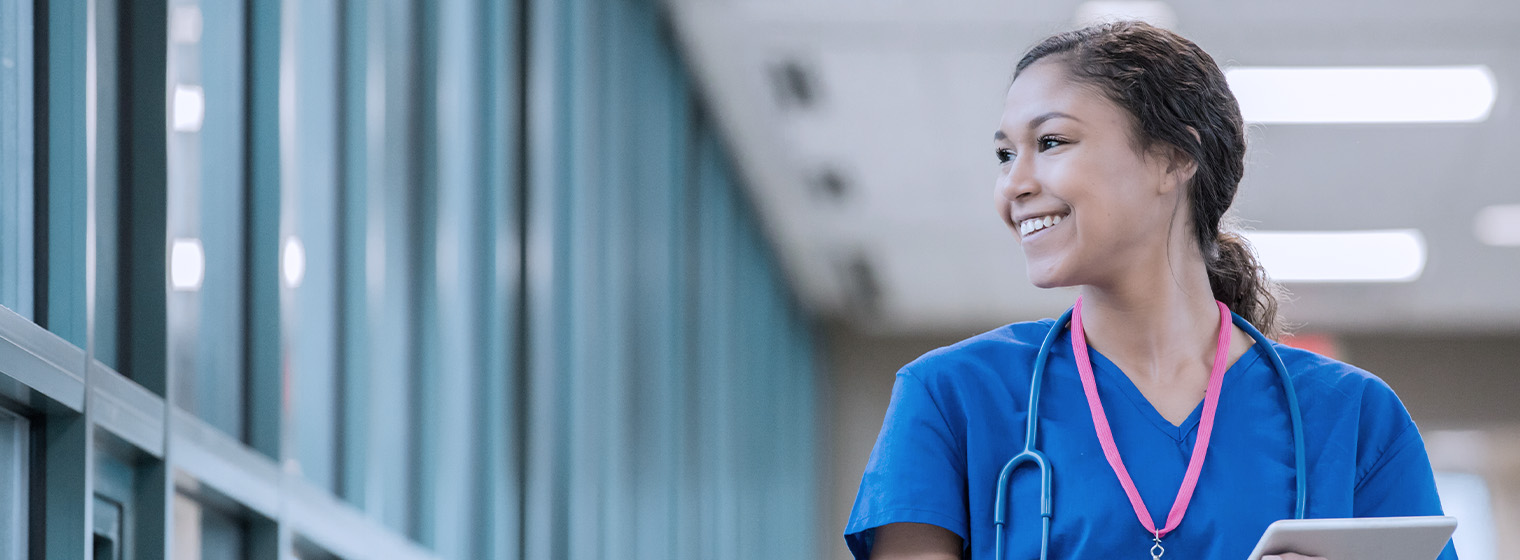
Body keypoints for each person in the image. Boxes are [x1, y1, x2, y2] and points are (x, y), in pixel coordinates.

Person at [844, 21, 1456, 560]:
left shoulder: (1351, 418)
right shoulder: (952, 398)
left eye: (1050, 142)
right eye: (1005, 155)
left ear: (1171, 157)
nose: (1014, 184)